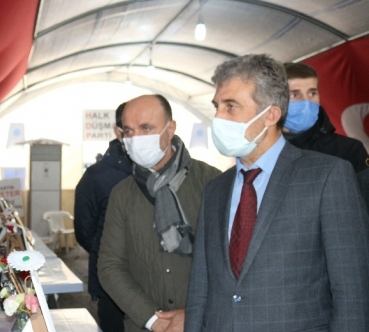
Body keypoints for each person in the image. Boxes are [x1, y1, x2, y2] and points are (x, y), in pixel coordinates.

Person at [185, 54, 369, 331]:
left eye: (230, 106)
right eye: (217, 106)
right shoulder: (215, 190)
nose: (218, 117)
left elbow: (352, 291)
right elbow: (201, 288)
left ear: (271, 114)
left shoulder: (327, 176)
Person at [98, 95, 220, 332]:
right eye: (129, 131)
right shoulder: (122, 194)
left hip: (204, 324)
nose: (136, 139)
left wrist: (195, 314)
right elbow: (110, 266)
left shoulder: (212, 183)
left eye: (146, 128)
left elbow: (231, 265)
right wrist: (154, 321)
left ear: (170, 128)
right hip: (142, 325)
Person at [74, 102, 132, 332]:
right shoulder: (97, 176)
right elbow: (85, 231)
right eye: (130, 129)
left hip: (156, 287)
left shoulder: (158, 171)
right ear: (118, 132)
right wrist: (109, 253)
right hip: (111, 284)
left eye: (147, 128)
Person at [282, 62, 369, 172]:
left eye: (312, 93)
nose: (306, 101)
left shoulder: (348, 149)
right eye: (294, 94)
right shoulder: (262, 154)